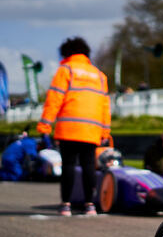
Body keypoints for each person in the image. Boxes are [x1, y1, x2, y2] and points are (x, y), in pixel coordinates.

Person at [37, 36, 111, 216]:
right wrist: (105, 130)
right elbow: (105, 106)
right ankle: (89, 205)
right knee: (88, 166)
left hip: (69, 128)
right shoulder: (100, 76)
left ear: (66, 53)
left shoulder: (66, 70)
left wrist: (45, 125)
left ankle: (66, 205)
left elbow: (55, 98)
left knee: (68, 165)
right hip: (91, 130)